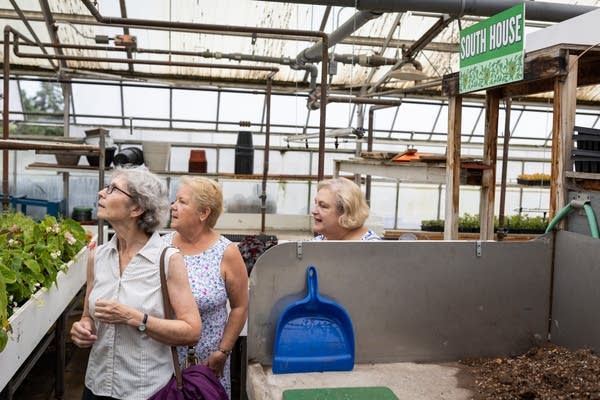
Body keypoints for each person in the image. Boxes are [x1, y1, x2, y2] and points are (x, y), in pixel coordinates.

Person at [70, 166, 201, 400]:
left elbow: (191, 331)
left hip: (145, 391)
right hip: (96, 386)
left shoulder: (167, 260)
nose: (101, 192)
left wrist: (135, 318)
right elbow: (88, 317)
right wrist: (83, 327)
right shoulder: (97, 257)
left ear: (137, 208)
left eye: (112, 189)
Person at [163, 176, 248, 398]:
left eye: (182, 202)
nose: (173, 206)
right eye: (175, 200)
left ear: (203, 213)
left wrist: (223, 352)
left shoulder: (226, 252)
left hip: (209, 365)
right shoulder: (161, 247)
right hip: (163, 359)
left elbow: (240, 307)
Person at [312, 177, 381, 240]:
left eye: (323, 206)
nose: (314, 211)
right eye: (316, 203)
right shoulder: (315, 243)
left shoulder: (373, 249)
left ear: (346, 211)